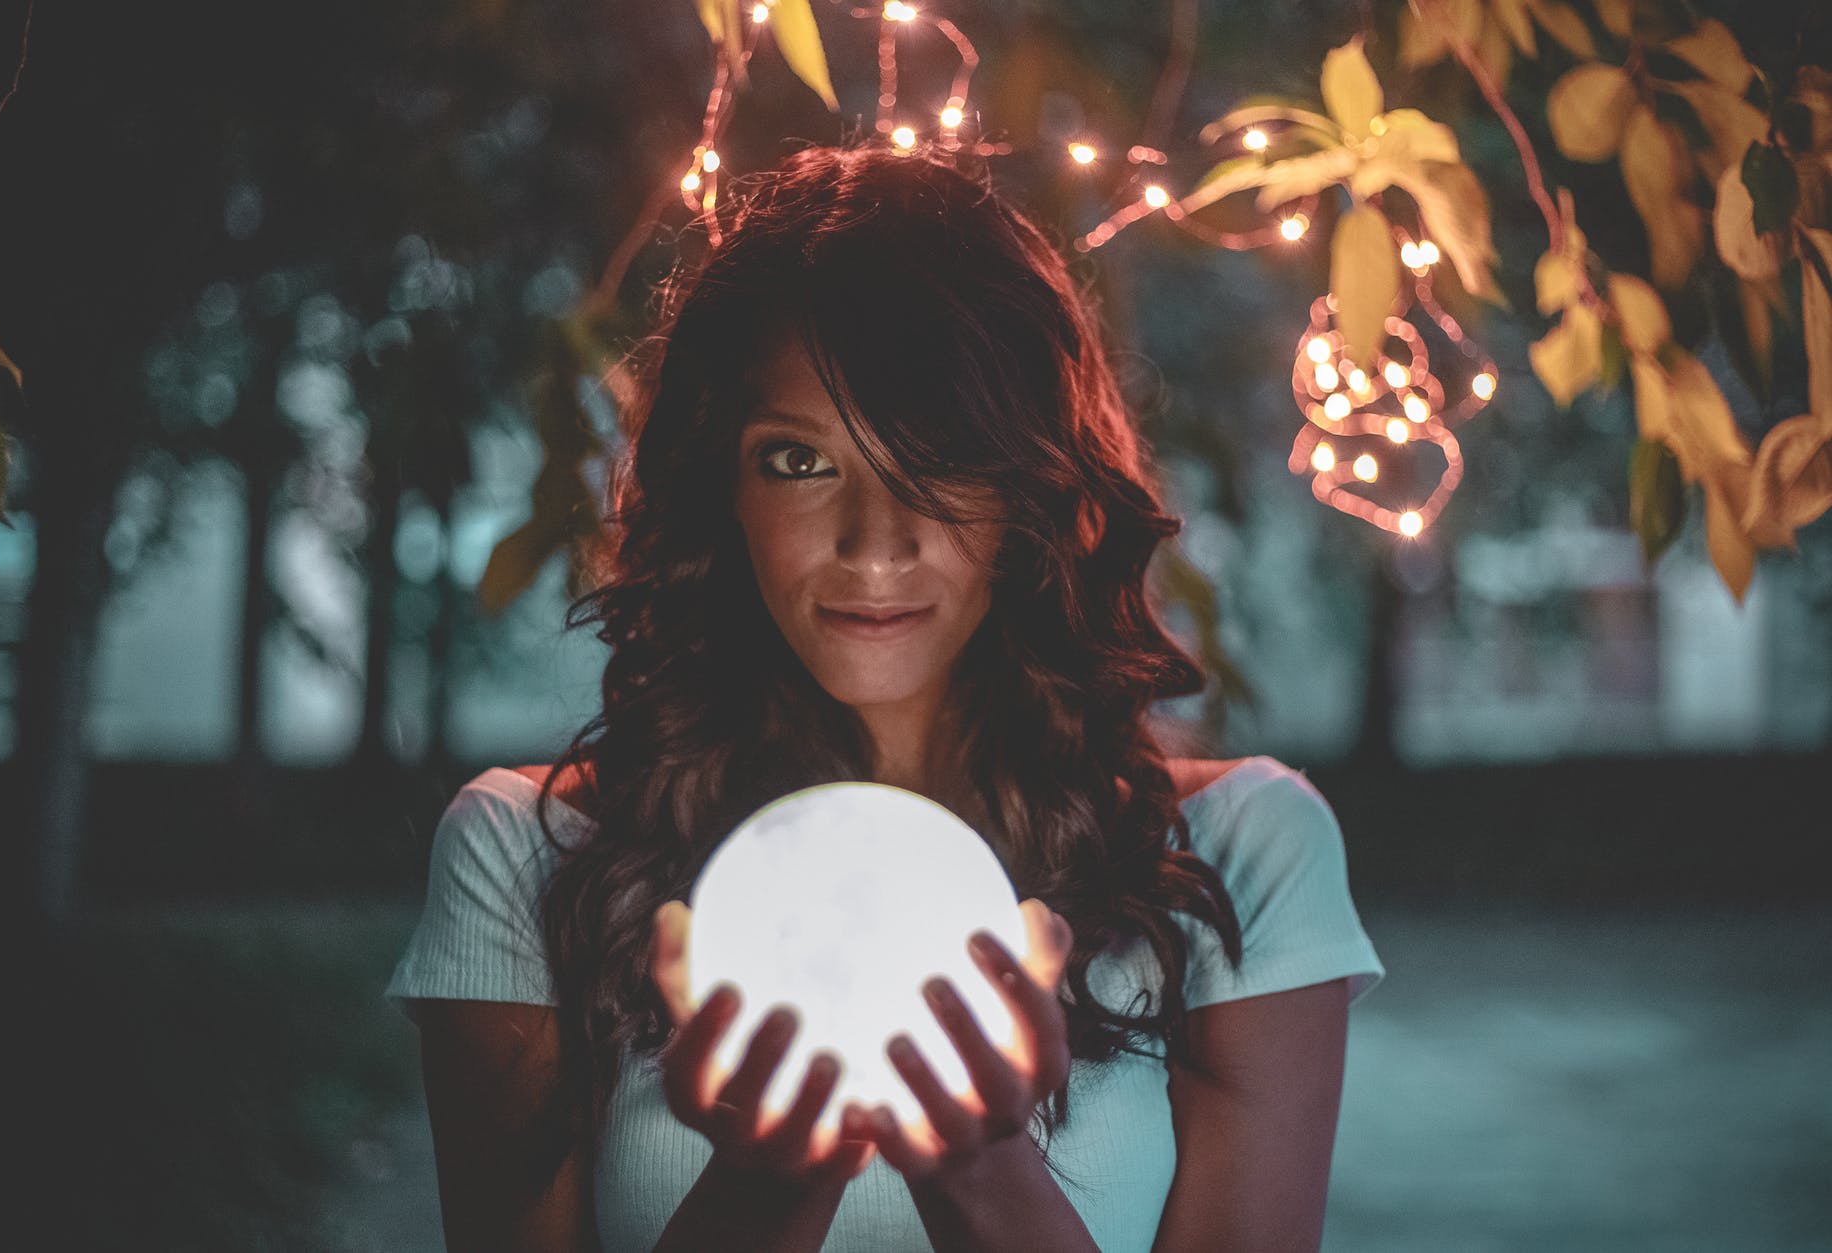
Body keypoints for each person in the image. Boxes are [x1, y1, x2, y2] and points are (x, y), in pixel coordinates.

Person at [386, 143, 1385, 1253]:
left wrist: (977, 1166)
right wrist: (768, 1180)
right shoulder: (531, 857)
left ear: (1033, 482)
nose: (873, 546)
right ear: (720, 482)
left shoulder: (1236, 854)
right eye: (799, 462)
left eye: (942, 458)